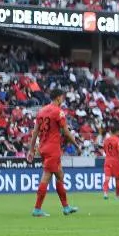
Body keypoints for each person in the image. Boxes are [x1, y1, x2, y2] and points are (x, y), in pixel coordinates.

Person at [27, 89, 81, 217]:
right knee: (47, 175)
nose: (63, 100)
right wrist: (76, 145)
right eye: (62, 98)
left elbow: (35, 132)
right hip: (52, 149)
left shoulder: (41, 111)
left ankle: (66, 207)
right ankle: (37, 209)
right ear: (58, 98)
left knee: (60, 175)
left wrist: (31, 149)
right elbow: (66, 132)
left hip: (43, 148)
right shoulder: (58, 112)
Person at [102, 128, 119, 200]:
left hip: (107, 160)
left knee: (107, 178)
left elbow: (105, 150)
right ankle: (117, 196)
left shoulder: (106, 140)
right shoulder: (118, 140)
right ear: (117, 132)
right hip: (116, 161)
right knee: (118, 179)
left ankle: (105, 193)